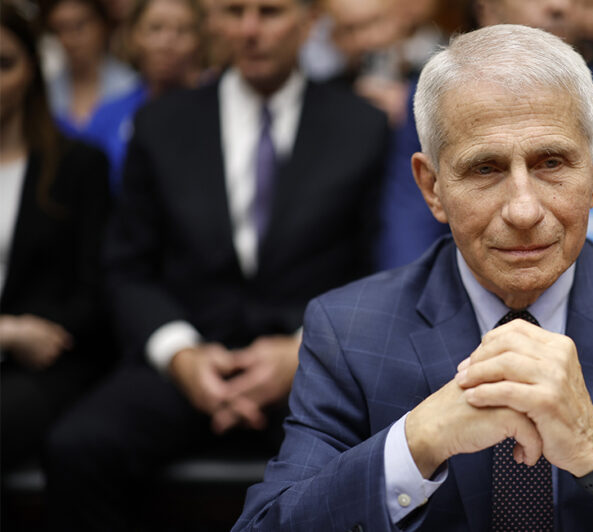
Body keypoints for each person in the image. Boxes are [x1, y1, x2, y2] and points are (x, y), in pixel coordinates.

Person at [233, 23, 593, 532]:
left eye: (551, 163)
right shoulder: (348, 330)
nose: (524, 209)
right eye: (485, 169)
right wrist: (417, 442)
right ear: (432, 187)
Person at [43, 0, 388, 528]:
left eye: (269, 12)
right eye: (233, 11)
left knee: (369, 460)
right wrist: (180, 354)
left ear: (307, 23)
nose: (250, 30)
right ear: (213, 23)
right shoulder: (161, 123)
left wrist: (304, 350)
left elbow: (379, 264)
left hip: (311, 360)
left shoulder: (360, 126)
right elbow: (127, 265)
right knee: (78, 448)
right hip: (185, 353)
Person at [377, 0, 593, 276]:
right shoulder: (436, 102)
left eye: (552, 162)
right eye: (485, 168)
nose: (560, 5)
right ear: (487, 10)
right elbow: (409, 239)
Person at [0, 0, 111, 470]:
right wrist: (6, 332)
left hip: (47, 362)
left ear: (32, 71)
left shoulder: (77, 166)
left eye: (4, 64)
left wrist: (28, 334)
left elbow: (93, 294)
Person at [84, 0, 206, 192]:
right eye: (155, 29)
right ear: (133, 36)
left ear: (199, 40)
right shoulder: (109, 115)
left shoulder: (215, 109)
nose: (167, 42)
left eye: (182, 31)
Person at [43, 0, 139, 137]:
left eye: (80, 26)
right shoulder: (47, 93)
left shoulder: (132, 87)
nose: (70, 39)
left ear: (103, 26)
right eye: (61, 29)